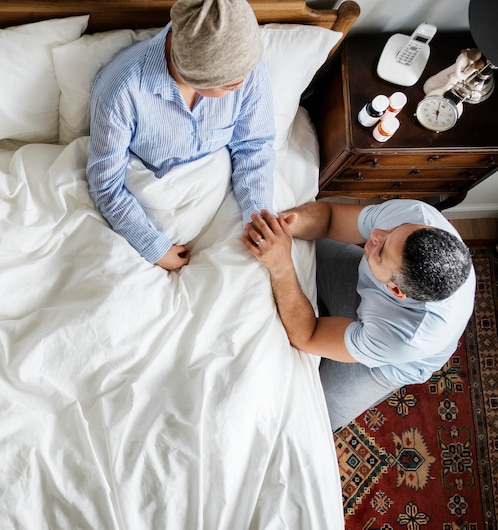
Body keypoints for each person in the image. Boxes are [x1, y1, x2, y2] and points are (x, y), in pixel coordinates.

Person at [241, 199, 475, 432]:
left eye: (381, 250)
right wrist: (282, 227)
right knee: (305, 243)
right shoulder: (416, 215)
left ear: (395, 290)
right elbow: (331, 217)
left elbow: (308, 335)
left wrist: (281, 267)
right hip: (371, 288)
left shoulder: (404, 339)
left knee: (307, 421)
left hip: (390, 358)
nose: (375, 233)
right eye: (394, 230)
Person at [87, 0, 276, 271]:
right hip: (152, 200)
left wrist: (258, 216)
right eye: (231, 84)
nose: (245, 83)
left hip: (220, 194)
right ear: (196, 78)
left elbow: (254, 144)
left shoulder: (248, 68)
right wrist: (154, 246)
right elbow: (105, 185)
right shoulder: (121, 92)